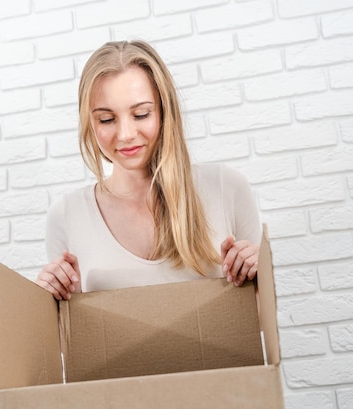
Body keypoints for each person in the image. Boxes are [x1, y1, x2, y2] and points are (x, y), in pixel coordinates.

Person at [35, 40, 261, 301]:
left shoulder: (227, 188)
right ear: (90, 122)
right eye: (106, 119)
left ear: (164, 111)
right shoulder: (66, 215)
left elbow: (258, 324)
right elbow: (69, 338)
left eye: (141, 114)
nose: (126, 134)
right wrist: (53, 305)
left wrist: (258, 280)